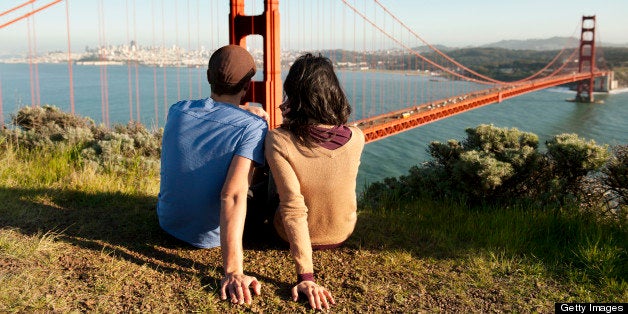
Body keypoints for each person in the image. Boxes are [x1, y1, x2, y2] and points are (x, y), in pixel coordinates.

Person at [157, 45, 268, 305]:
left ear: (209, 77)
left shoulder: (178, 110)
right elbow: (233, 194)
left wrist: (243, 111)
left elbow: (216, 113)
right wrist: (233, 272)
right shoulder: (253, 127)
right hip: (208, 238)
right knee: (269, 181)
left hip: (168, 223)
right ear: (248, 86)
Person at [264, 53, 365, 310]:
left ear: (294, 96)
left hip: (285, 235)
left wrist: (306, 276)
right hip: (342, 232)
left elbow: (293, 207)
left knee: (263, 185)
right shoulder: (357, 137)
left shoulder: (278, 140)